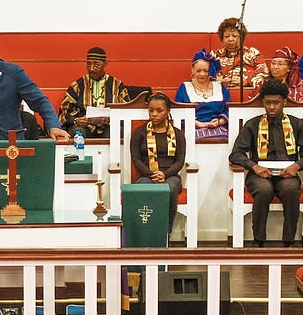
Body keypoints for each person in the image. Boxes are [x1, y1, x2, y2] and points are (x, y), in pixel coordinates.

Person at [228, 80, 303, 248]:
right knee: (264, 189)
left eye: (276, 103)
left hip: (288, 173)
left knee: (291, 189)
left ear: (284, 102)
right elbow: (236, 154)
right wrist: (255, 167)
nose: (271, 107)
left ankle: (289, 241)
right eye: (267, 103)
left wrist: (296, 166)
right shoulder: (253, 125)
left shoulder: (296, 124)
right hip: (259, 174)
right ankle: (259, 240)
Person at [129, 93, 186, 240]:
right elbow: (136, 159)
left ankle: (165, 231)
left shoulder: (177, 134)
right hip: (146, 175)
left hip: (170, 175)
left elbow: (179, 161)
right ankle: (143, 231)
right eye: (151, 110)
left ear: (167, 111)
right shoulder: (139, 133)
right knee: (142, 187)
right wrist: (151, 174)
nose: (154, 114)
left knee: (170, 187)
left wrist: (164, 175)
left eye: (159, 111)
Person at [57, 47, 133, 138]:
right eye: (88, 64)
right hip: (84, 127)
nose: (92, 69)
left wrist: (112, 119)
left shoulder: (117, 85)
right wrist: (76, 120)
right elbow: (64, 113)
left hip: (108, 127)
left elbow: (127, 112)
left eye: (96, 65)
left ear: (105, 64)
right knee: (78, 132)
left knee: (115, 131)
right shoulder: (77, 86)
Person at [176, 49, 230, 139]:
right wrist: (200, 124)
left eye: (205, 71)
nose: (202, 74)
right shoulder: (184, 87)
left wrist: (219, 122)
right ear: (192, 70)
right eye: (198, 71)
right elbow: (179, 113)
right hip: (192, 127)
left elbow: (229, 110)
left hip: (218, 127)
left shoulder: (220, 87)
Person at [213, 17, 267, 93]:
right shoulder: (214, 55)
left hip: (247, 92)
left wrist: (246, 81)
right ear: (222, 38)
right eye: (226, 36)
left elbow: (264, 73)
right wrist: (220, 81)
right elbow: (204, 74)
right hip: (220, 93)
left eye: (234, 36)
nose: (230, 39)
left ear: (241, 37)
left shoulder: (252, 53)